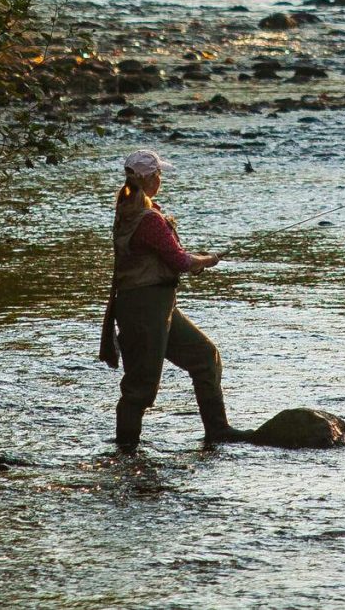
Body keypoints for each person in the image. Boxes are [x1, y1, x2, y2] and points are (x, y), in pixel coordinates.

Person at [98, 149, 240, 451]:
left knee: (205, 356)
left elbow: (163, 257)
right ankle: (126, 450)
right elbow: (179, 261)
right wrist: (207, 260)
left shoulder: (131, 207)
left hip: (158, 304)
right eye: (158, 174)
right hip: (143, 309)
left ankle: (218, 431)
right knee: (141, 387)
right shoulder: (147, 217)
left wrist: (196, 261)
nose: (161, 178)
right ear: (151, 178)